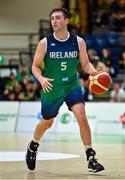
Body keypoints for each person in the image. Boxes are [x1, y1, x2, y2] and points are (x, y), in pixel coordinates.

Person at [26, 7, 104, 173]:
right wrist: (41, 78)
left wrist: (94, 72)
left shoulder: (79, 41)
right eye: (52, 18)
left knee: (81, 116)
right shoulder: (44, 43)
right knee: (47, 122)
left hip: (71, 85)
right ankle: (33, 145)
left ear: (66, 21)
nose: (54, 21)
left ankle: (91, 157)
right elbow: (34, 66)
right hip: (51, 87)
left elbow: (85, 64)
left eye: (58, 18)